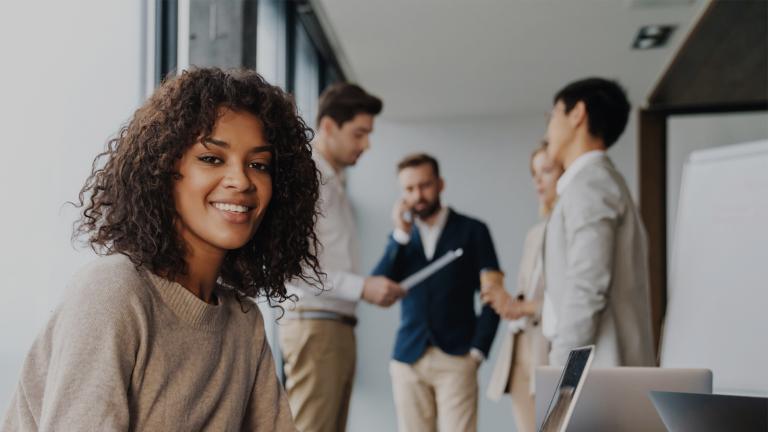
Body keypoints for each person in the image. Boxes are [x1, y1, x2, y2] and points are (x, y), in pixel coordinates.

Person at [1, 68, 321, 431]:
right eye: (212, 158)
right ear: (164, 169)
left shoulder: (243, 322)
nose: (242, 180)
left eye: (258, 164)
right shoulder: (113, 292)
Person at [279, 83, 404, 432]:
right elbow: (294, 269)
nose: (366, 144)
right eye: (359, 133)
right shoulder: (310, 179)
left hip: (332, 325)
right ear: (330, 126)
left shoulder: (332, 181)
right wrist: (361, 287)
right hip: (316, 325)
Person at [372, 153, 501, 432]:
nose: (418, 195)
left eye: (425, 185)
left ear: (440, 184)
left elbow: (493, 294)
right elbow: (377, 285)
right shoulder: (401, 239)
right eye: (409, 189)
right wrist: (400, 235)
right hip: (408, 358)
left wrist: (478, 351)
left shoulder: (473, 231)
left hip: (457, 357)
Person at [542, 77, 655, 367]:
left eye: (553, 116)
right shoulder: (599, 182)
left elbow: (588, 284)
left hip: (598, 369)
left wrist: (559, 365)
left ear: (577, 114)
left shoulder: (591, 184)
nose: (548, 129)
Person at [482, 142, 563, 432]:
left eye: (546, 171)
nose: (538, 180)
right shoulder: (535, 233)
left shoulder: (570, 229)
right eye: (534, 173)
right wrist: (506, 302)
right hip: (519, 351)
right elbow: (526, 294)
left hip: (550, 349)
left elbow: (570, 301)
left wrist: (521, 306)